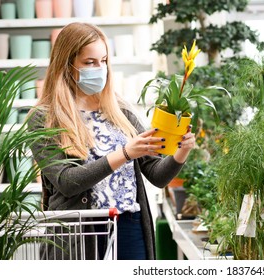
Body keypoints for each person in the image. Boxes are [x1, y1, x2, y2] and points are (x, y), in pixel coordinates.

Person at [27, 22, 195, 260]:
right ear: (66, 64)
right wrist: (125, 154)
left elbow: (157, 175)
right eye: (90, 62)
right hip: (80, 233)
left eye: (103, 61)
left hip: (129, 226)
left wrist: (181, 152)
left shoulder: (119, 110)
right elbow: (67, 182)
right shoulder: (44, 118)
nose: (100, 68)